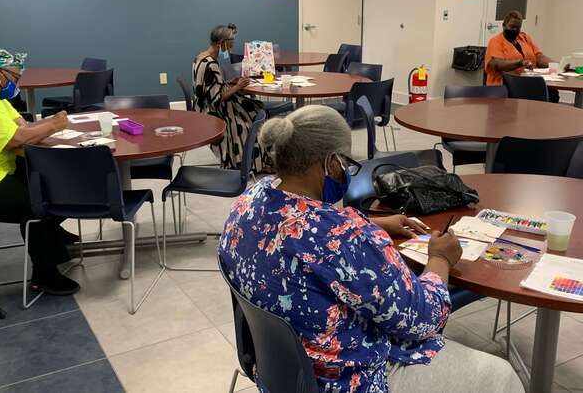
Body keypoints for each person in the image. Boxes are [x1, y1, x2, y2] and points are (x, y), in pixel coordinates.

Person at [219, 105, 524, 393]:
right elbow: (421, 320)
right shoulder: (346, 237)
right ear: (329, 161)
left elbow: (306, 233)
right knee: (500, 375)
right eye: (345, 164)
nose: (345, 173)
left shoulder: (249, 201)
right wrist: (440, 259)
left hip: (279, 371)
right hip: (345, 380)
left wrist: (369, 223)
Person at [0, 43, 80, 295]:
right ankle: (44, 275)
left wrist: (44, 126)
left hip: (2, 169)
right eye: (14, 77)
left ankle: (53, 236)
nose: (16, 83)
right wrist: (54, 126)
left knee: (52, 184)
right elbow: (15, 140)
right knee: (37, 203)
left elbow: (22, 126)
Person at [192, 23, 271, 172]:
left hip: (201, 106)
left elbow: (210, 87)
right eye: (230, 44)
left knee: (255, 107)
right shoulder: (211, 65)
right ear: (221, 43)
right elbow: (217, 98)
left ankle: (249, 157)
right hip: (212, 110)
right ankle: (249, 161)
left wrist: (228, 82)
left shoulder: (200, 57)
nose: (231, 47)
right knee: (254, 114)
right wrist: (238, 87)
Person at [485, 10, 559, 102]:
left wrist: (556, 64)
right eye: (512, 26)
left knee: (552, 93)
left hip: (526, 82)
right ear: (504, 25)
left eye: (518, 28)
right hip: (505, 85)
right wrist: (520, 63)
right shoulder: (496, 41)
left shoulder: (524, 38)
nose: (514, 30)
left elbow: (539, 57)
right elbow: (496, 64)